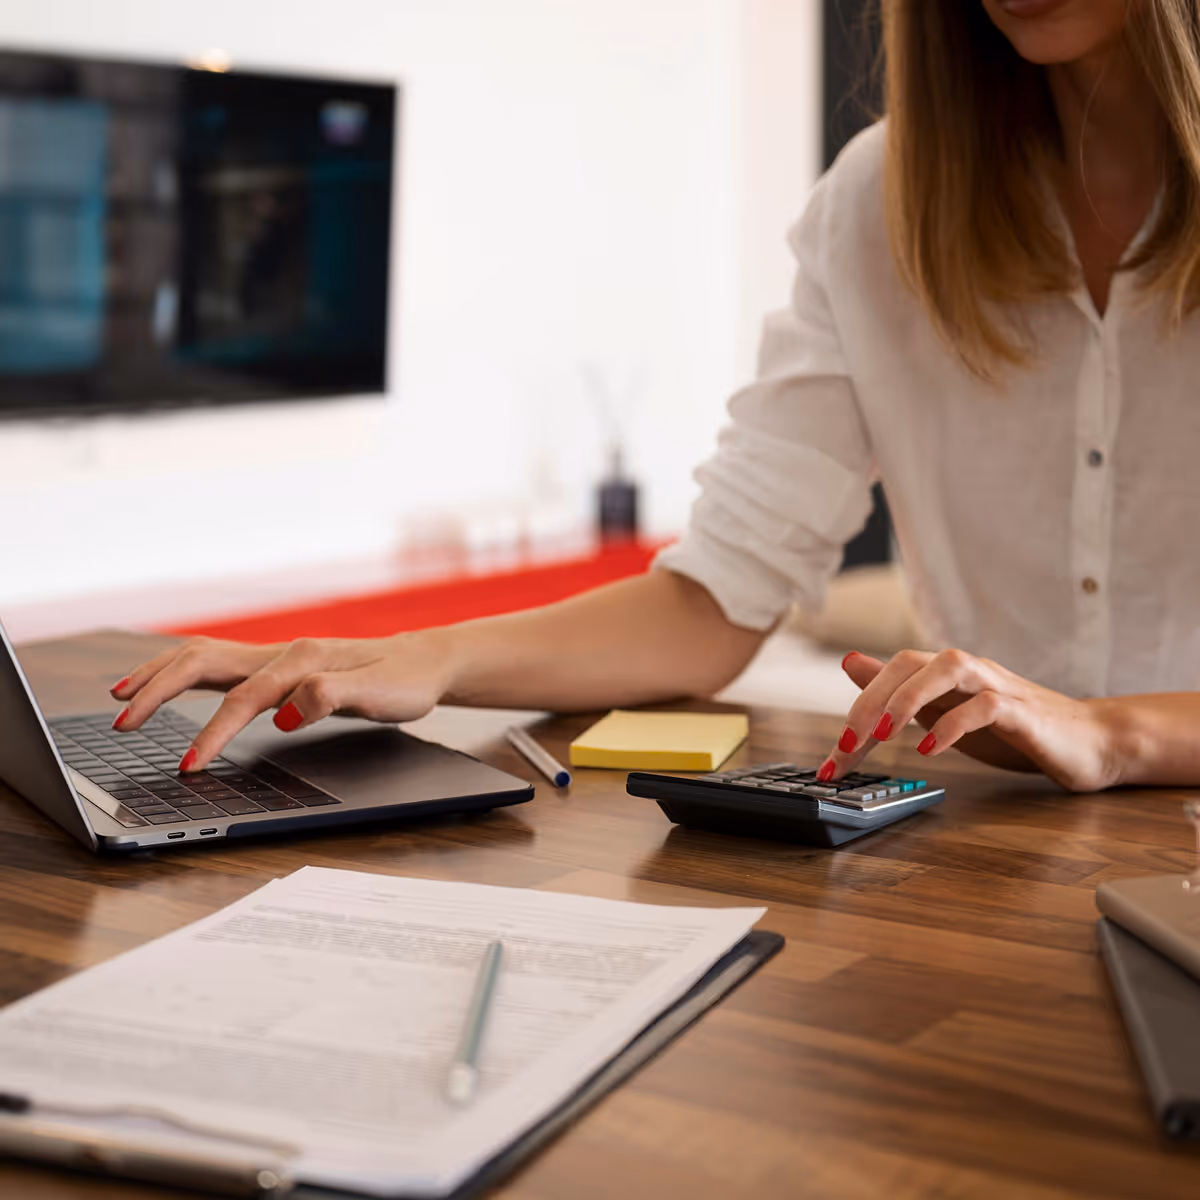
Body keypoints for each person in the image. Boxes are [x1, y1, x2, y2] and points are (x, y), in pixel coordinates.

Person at [111, 0, 1200, 794]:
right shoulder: (882, 200)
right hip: (985, 852)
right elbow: (713, 602)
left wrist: (1108, 732)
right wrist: (425, 656)